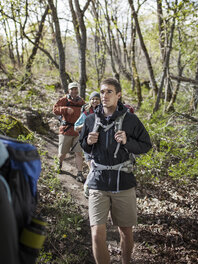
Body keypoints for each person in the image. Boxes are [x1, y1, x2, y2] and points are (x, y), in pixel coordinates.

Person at [79, 78, 152, 264]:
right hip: (98, 181)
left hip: (123, 182)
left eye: (109, 92)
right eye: (102, 92)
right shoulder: (89, 120)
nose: (104, 96)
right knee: (96, 233)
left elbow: (145, 145)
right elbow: (83, 146)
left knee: (126, 231)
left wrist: (128, 141)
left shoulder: (131, 120)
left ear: (118, 95)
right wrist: (88, 142)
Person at [53, 81, 85, 182]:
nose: (74, 91)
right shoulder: (64, 100)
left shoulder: (81, 102)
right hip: (66, 130)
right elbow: (55, 109)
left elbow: (86, 112)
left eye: (75, 89)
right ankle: (59, 164)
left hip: (78, 132)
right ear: (68, 90)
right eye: (72, 89)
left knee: (78, 153)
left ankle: (80, 173)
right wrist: (65, 109)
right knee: (62, 153)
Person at [75, 91, 101, 197]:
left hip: (99, 145)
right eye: (92, 99)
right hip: (88, 143)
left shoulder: (105, 112)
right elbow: (76, 127)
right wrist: (85, 125)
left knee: (96, 168)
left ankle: (94, 188)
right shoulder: (86, 113)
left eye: (97, 99)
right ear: (90, 101)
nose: (94, 101)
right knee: (92, 168)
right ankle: (87, 188)